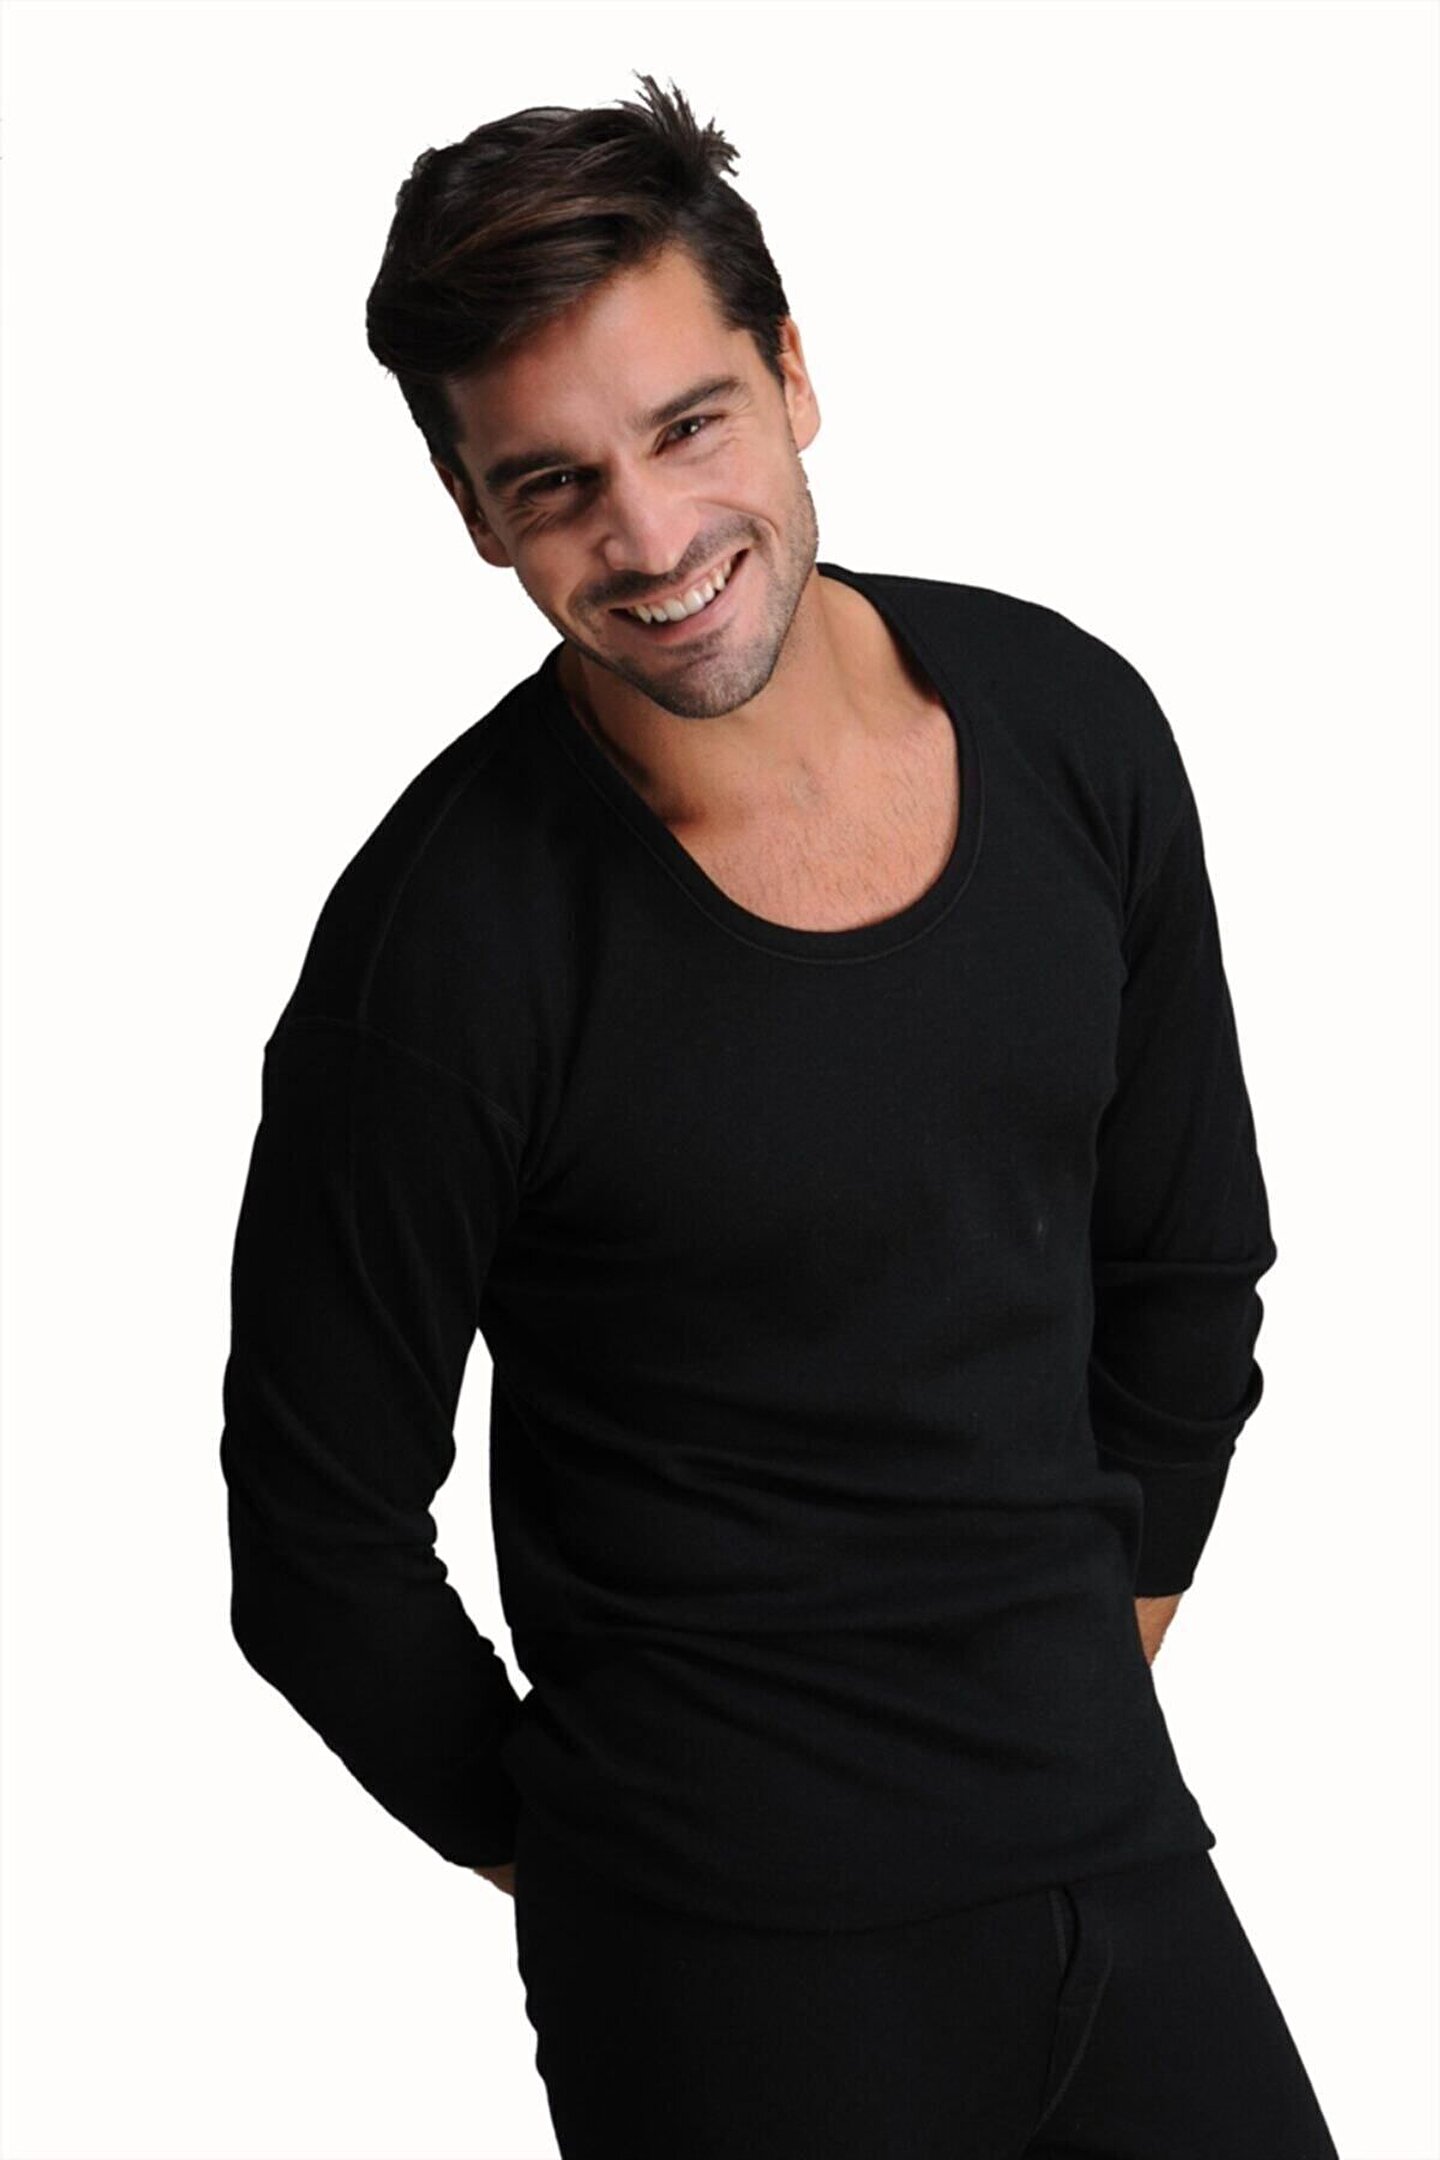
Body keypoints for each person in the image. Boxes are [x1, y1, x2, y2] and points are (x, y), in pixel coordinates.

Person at [219, 72, 1340, 2159]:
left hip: (1109, 1856)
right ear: (473, 512)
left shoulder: (1073, 731)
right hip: (721, 1969)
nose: (650, 541)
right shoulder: (441, 947)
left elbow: (1190, 1274)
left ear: (795, 373)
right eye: (553, 484)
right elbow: (312, 1545)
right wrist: (612, 1865)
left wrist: (1062, 1698)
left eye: (689, 427)